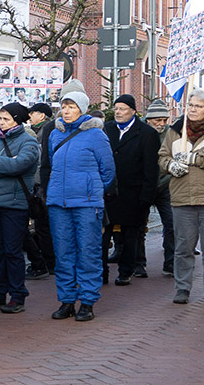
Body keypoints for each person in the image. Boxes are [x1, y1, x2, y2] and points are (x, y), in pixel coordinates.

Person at [44, 89, 114, 322]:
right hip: (58, 203)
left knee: (88, 252)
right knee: (63, 253)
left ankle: (87, 302)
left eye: (72, 106)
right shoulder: (55, 134)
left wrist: (90, 190)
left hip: (86, 204)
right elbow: (53, 164)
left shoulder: (95, 135)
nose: (66, 111)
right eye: (64, 106)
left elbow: (108, 171)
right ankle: (66, 301)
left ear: (82, 109)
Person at [0, 103, 39, 314]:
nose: (1, 123)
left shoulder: (28, 142)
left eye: (6, 119)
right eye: (0, 118)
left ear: (18, 120)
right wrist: (1, 166)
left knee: (12, 251)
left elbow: (16, 167)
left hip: (14, 205)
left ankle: (18, 295)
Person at [158, 89, 204, 306]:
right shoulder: (176, 131)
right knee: (183, 247)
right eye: (190, 105)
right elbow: (162, 157)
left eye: (198, 106)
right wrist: (170, 165)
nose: (192, 109)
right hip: (182, 198)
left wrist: (196, 158)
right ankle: (182, 288)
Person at [104, 94, 160, 286]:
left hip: (133, 193)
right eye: (116, 108)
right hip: (108, 191)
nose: (118, 112)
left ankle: (125, 271)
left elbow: (151, 168)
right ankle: (101, 272)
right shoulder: (106, 129)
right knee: (104, 233)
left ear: (133, 111)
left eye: (122, 109)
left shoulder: (147, 133)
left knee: (130, 235)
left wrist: (146, 196)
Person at [142, 98, 175, 276]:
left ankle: (170, 262)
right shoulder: (140, 132)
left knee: (171, 223)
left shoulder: (173, 134)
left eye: (164, 120)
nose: (162, 124)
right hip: (143, 185)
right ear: (148, 119)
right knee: (138, 225)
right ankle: (137, 262)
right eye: (157, 120)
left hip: (165, 185)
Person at [24, 102, 56, 279]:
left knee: (44, 226)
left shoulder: (46, 132)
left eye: (33, 113)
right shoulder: (36, 131)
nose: (29, 116)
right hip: (40, 186)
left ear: (42, 115)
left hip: (42, 187)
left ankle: (48, 262)